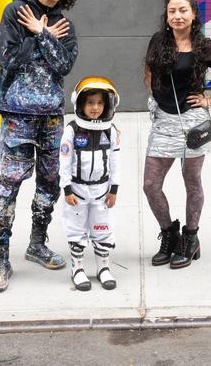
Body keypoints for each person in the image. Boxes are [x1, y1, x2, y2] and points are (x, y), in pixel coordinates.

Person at [0, 0, 79, 293]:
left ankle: (37, 243)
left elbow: (64, 65)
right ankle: (1, 256)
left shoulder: (63, 24)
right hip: (17, 113)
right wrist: (40, 37)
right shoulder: (15, 11)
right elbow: (9, 58)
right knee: (9, 182)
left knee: (50, 181)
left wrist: (41, 33)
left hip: (52, 116)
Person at [141, 0, 211, 269]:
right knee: (150, 185)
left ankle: (190, 238)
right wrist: (156, 99)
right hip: (164, 121)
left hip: (193, 124)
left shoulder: (203, 46)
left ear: (194, 14)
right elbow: (148, 71)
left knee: (191, 181)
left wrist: (209, 100)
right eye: (172, 11)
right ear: (166, 15)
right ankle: (170, 234)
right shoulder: (158, 41)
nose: (177, 16)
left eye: (183, 10)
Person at [59, 76, 122, 291]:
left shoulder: (110, 131)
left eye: (100, 103)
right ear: (80, 104)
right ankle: (77, 268)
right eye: (90, 102)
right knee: (76, 230)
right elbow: (64, 161)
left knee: (102, 228)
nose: (95, 108)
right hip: (76, 190)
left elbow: (115, 161)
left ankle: (103, 267)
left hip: (102, 190)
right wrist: (67, 189)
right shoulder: (72, 130)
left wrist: (114, 189)